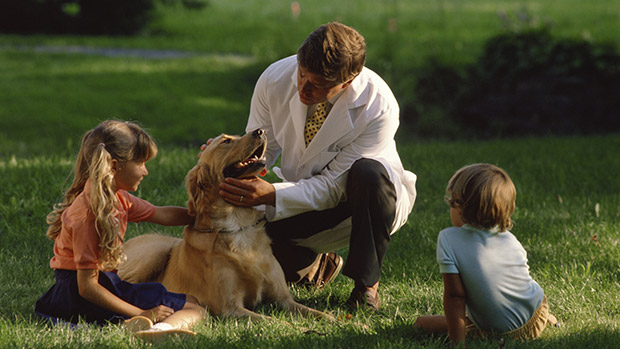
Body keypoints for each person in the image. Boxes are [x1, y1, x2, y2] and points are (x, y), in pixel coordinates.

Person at [217, 22, 417, 311]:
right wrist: (229, 159)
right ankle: (311, 266)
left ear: (347, 82)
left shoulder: (378, 106)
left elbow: (334, 187)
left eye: (318, 85)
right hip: (299, 195)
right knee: (249, 259)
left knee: (368, 174)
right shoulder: (274, 78)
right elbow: (264, 146)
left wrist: (272, 195)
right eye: (301, 75)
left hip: (362, 204)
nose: (303, 88)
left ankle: (366, 287)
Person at [35, 120, 204, 340]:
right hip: (79, 298)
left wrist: (204, 216)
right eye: (141, 162)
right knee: (194, 309)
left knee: (189, 300)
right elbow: (87, 287)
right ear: (114, 166)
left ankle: (130, 325)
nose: (145, 171)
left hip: (99, 286)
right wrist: (143, 313)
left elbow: (161, 214)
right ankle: (155, 330)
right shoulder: (88, 215)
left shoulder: (118, 199)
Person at [414, 163, 557, 345]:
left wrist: (457, 344)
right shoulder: (509, 238)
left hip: (498, 331)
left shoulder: (448, 239)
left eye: (452, 202)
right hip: (537, 312)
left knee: (421, 323)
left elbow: (455, 297)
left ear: (462, 207)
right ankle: (547, 319)